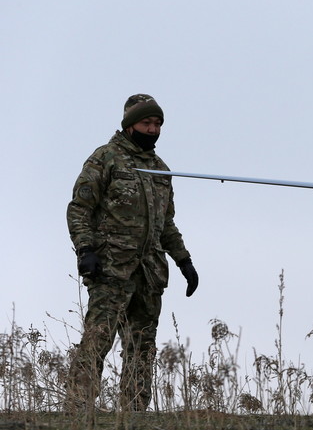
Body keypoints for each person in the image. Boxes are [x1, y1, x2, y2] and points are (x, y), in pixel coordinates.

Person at [65, 94, 199, 412]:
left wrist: (184, 260)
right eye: (146, 123)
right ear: (129, 125)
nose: (152, 129)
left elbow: (166, 224)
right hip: (110, 267)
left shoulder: (161, 170)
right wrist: (85, 249)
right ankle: (77, 405)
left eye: (157, 124)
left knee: (142, 343)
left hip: (149, 272)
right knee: (99, 335)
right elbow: (79, 209)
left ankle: (135, 410)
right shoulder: (105, 158)